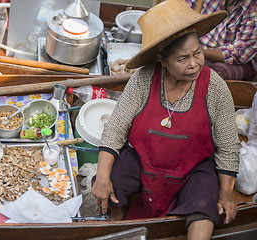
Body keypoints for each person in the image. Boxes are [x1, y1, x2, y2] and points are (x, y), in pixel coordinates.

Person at [91, 0, 239, 239]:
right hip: (143, 160)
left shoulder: (215, 86)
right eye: (183, 59)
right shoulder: (143, 78)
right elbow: (116, 127)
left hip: (193, 169)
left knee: (205, 207)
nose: (194, 64)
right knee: (111, 185)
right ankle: (116, 228)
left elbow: (228, 146)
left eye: (197, 53)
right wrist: (103, 177)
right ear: (162, 60)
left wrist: (225, 196)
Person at [185, 0, 257, 81]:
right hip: (198, 52)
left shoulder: (253, 9)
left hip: (237, 62)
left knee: (212, 76)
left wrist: (199, 52)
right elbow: (183, 9)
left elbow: (240, 51)